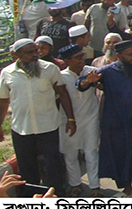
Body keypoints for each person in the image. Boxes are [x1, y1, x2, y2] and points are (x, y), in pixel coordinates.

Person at [0, 39, 76, 197]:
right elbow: (4, 101)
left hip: (48, 125)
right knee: (26, 166)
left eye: (36, 51)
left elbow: (62, 94)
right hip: (21, 127)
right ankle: (30, 199)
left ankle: (56, 196)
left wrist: (70, 119)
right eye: (30, 52)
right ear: (16, 54)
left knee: (53, 163)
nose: (35, 55)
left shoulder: (49, 69)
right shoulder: (7, 73)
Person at [78, 40, 132, 197]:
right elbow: (81, 84)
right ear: (118, 56)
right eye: (129, 55)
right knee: (119, 155)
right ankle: (127, 190)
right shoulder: (107, 71)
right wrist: (88, 81)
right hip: (115, 122)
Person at [57, 44, 103, 197]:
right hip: (67, 119)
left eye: (82, 55)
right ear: (67, 60)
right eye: (78, 57)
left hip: (90, 117)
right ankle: (75, 184)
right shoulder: (61, 76)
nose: (82, 59)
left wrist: (96, 82)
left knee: (91, 152)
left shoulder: (91, 71)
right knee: (70, 153)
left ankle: (95, 186)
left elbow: (100, 85)